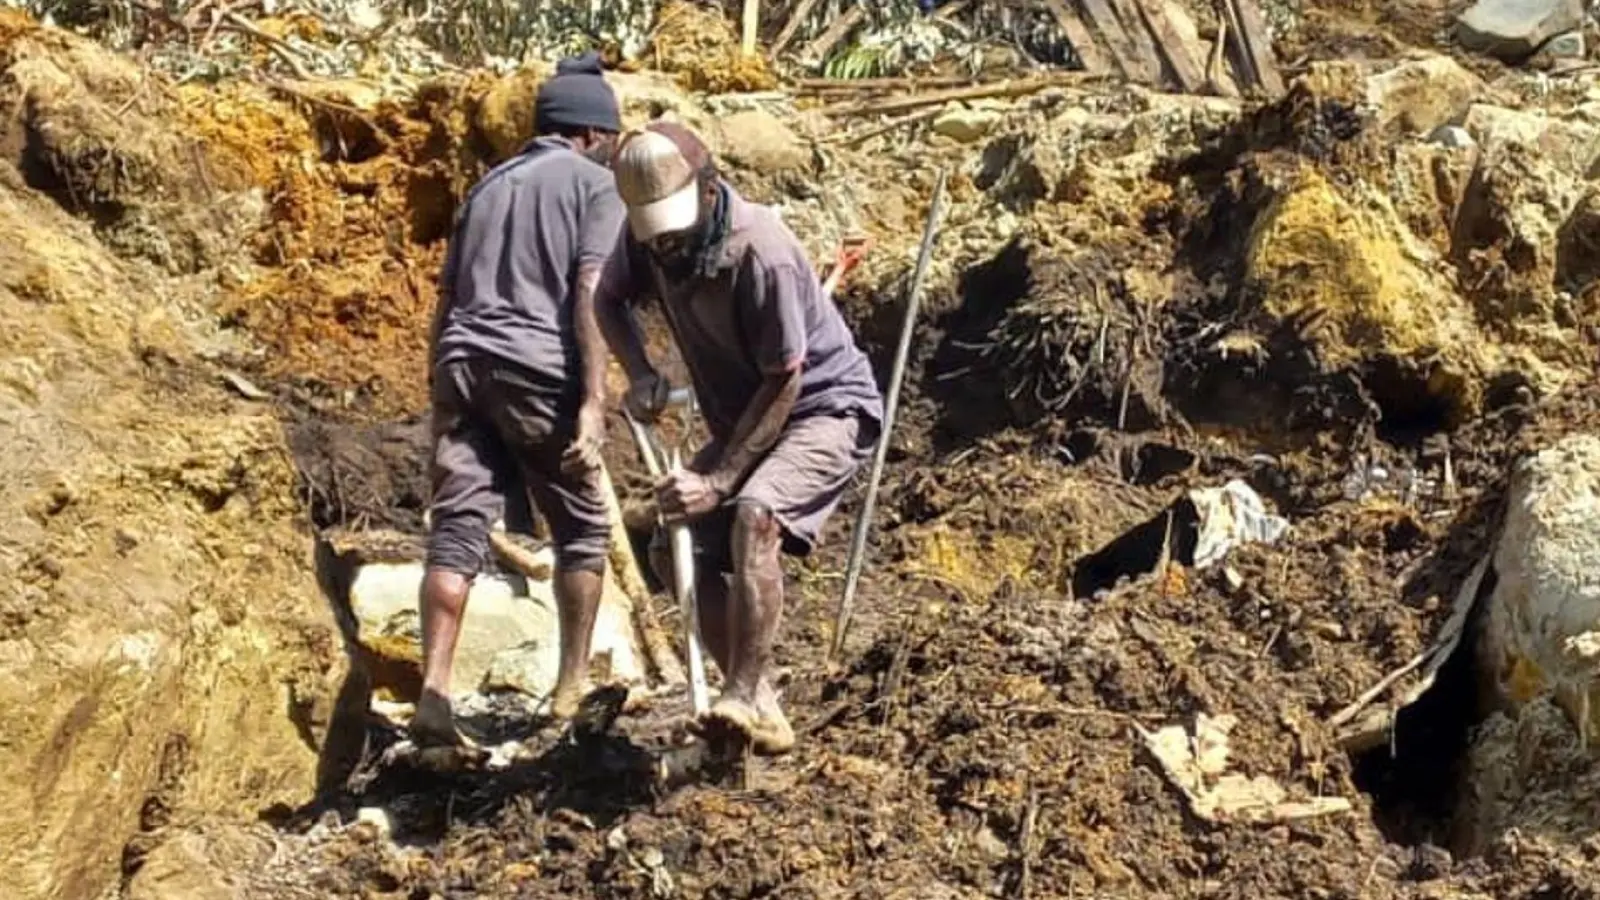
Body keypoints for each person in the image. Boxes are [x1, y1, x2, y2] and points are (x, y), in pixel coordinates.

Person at [595, 121, 885, 756]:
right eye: (655, 236)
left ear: (710, 187)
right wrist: (641, 372)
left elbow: (786, 380)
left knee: (753, 516)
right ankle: (756, 707)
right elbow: (607, 300)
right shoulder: (650, 236)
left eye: (674, 232)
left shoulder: (763, 251)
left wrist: (722, 480)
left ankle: (746, 692)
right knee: (677, 547)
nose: (666, 248)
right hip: (743, 419)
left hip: (823, 408)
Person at [414, 52, 625, 747]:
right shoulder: (595, 187)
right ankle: (569, 690)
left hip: (462, 364)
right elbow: (590, 290)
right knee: (584, 528)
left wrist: (440, 394)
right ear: (591, 134)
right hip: (536, 368)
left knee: (456, 530)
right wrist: (594, 400)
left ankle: (435, 694)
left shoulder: (487, 187)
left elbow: (445, 301)